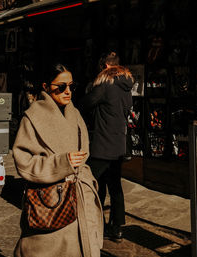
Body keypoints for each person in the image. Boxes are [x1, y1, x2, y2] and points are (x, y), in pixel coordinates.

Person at [12, 63, 103, 257]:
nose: (68, 91)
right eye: (61, 87)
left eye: (71, 86)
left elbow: (83, 151)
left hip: (80, 196)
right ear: (46, 87)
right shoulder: (32, 118)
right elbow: (23, 161)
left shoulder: (75, 113)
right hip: (52, 200)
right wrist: (61, 163)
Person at [80, 52, 133, 240]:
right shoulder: (126, 87)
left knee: (94, 184)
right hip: (119, 143)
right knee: (115, 185)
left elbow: (86, 103)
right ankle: (117, 227)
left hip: (102, 143)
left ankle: (96, 222)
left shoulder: (105, 84)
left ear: (106, 66)